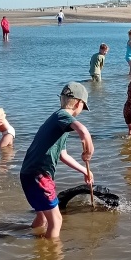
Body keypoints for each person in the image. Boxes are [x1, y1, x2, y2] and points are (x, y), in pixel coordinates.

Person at [20, 82, 94, 239]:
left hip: (28, 173)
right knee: (57, 221)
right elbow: (84, 131)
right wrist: (89, 152)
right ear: (79, 103)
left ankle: (32, 242)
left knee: (42, 218)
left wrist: (85, 171)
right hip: (39, 175)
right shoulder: (64, 116)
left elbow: (63, 155)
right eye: (83, 107)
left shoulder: (57, 122)